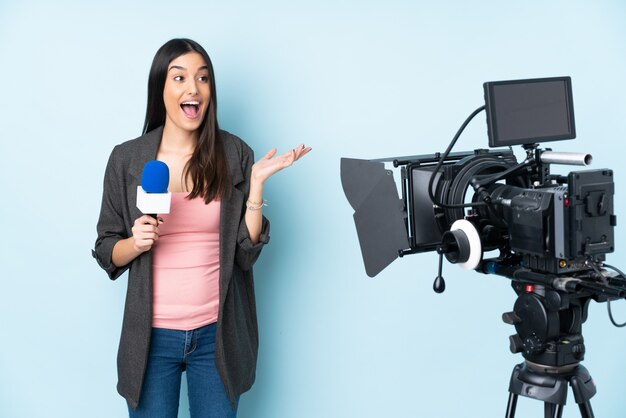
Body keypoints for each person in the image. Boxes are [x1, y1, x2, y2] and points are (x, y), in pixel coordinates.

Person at [92, 38, 311, 418]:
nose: (193, 88)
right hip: (150, 339)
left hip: (217, 337)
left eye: (203, 78)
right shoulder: (127, 159)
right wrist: (135, 242)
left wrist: (256, 186)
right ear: (160, 89)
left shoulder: (235, 154)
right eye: (179, 78)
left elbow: (246, 253)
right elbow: (105, 248)